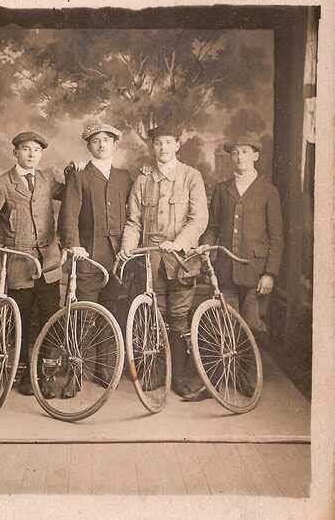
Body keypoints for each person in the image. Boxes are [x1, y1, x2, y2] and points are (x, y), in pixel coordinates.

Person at [0, 131, 67, 398]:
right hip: (19, 264)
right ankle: (21, 372)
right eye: (26, 149)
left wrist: (75, 171)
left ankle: (43, 374)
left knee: (49, 318)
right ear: (15, 153)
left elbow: (74, 195)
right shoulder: (1, 184)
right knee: (20, 319)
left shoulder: (47, 179)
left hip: (49, 264)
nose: (32, 154)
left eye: (37, 150)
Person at [117, 124, 209, 399]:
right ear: (152, 147)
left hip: (181, 260)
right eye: (158, 143)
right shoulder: (143, 180)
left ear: (177, 145)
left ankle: (178, 377)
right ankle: (155, 372)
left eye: (169, 142)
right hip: (149, 260)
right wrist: (127, 249)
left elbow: (198, 218)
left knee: (179, 319)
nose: (163, 148)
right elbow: (133, 221)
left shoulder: (191, 177)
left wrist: (179, 243)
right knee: (150, 318)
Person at [58, 123, 132, 388]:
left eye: (106, 140)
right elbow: (68, 215)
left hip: (117, 260)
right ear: (89, 146)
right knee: (82, 316)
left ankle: (104, 370)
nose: (101, 145)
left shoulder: (125, 176)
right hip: (88, 257)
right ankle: (73, 375)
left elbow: (135, 212)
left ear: (114, 145)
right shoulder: (79, 175)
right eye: (96, 141)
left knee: (110, 314)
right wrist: (73, 245)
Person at [197, 136, 284, 349]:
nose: (240, 156)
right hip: (226, 269)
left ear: (255, 156)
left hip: (255, 271)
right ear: (231, 158)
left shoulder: (268, 190)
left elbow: (276, 237)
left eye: (245, 151)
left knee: (253, 324)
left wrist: (270, 273)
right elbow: (213, 227)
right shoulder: (222, 189)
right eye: (235, 152)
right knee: (225, 323)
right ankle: (225, 373)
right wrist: (206, 245)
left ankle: (249, 377)